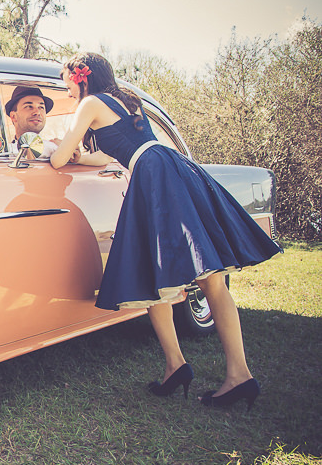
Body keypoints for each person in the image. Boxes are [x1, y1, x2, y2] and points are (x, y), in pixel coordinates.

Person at [50, 51, 282, 411]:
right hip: (170, 166)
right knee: (201, 278)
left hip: (151, 176)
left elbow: (58, 158)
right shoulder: (127, 100)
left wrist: (58, 152)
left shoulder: (90, 103)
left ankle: (205, 370)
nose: (67, 94)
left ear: (81, 79)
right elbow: (115, 154)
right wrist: (84, 157)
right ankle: (219, 372)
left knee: (158, 271)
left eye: (67, 85)